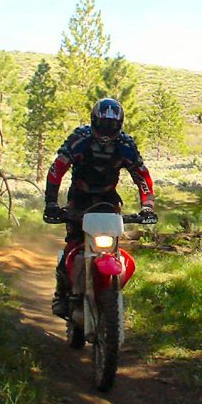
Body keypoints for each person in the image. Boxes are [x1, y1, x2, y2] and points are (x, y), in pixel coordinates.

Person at [43, 97, 155, 318]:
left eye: (112, 126)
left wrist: (148, 207)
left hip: (108, 200)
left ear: (119, 125)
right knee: (73, 243)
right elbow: (57, 169)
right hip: (80, 198)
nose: (106, 130)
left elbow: (142, 176)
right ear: (94, 121)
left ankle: (109, 292)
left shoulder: (125, 147)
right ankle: (62, 293)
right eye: (103, 124)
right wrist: (52, 203)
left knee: (112, 247)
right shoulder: (79, 140)